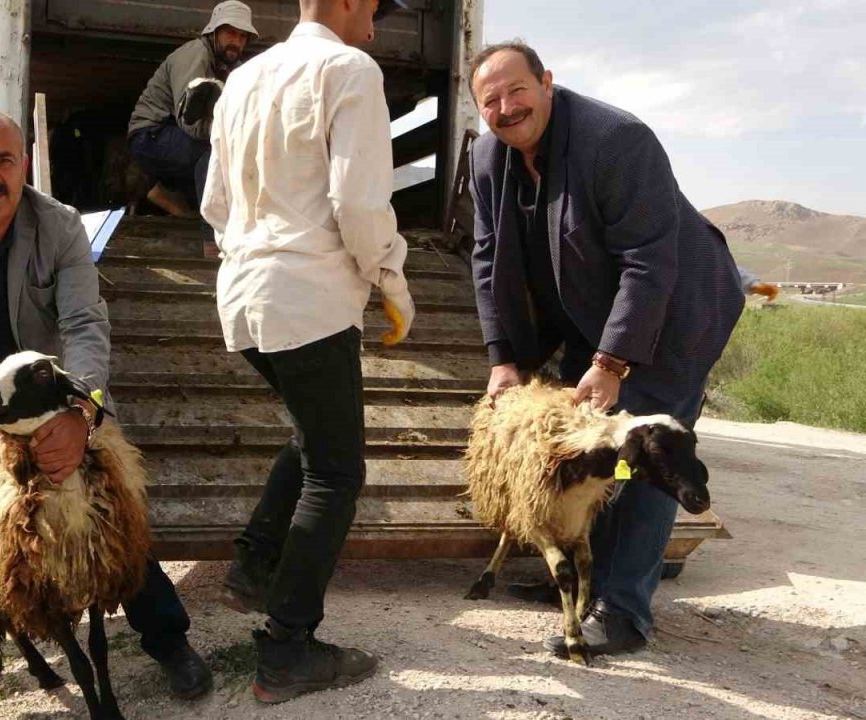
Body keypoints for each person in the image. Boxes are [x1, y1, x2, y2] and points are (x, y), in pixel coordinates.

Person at [0, 109, 212, 717]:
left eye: (3, 161)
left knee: (116, 517)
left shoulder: (58, 226)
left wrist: (80, 413)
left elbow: (86, 322)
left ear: (23, 164)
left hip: (54, 403)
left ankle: (168, 638)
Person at [467, 40, 745, 657]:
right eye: (491, 101)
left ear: (547, 81)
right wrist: (503, 357)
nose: (507, 107)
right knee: (590, 456)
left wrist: (612, 362)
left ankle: (622, 613)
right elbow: (488, 257)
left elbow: (649, 261)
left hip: (675, 313)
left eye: (518, 90)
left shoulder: (617, 140)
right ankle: (582, 582)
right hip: (592, 316)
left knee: (644, 458)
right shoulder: (489, 157)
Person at [201, 0, 412, 705]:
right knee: (337, 471)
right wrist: (389, 275)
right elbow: (360, 204)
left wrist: (254, 256)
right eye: (376, 8)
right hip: (308, 292)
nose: (378, 24)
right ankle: (289, 648)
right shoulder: (350, 69)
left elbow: (215, 204)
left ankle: (255, 567)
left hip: (245, 296)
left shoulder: (245, 79)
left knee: (312, 435)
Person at [128, 0, 257, 217]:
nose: (236, 41)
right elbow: (190, 121)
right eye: (231, 33)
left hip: (175, 135)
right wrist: (230, 134)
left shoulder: (231, 65)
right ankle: (213, 234)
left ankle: (171, 196)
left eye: (242, 36)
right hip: (151, 135)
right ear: (214, 32)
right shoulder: (195, 55)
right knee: (215, 151)